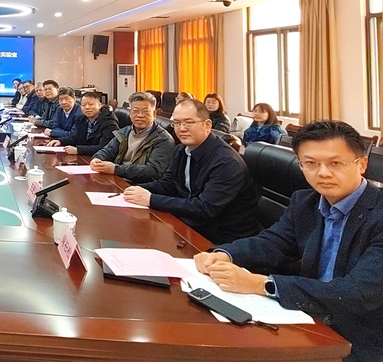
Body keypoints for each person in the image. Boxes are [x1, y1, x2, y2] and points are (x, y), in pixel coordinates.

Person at [194, 120, 383, 362]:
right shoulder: (305, 202)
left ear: (362, 164)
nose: (323, 173)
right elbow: (273, 242)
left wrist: (262, 284)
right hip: (309, 317)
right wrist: (224, 254)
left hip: (362, 335)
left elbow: (358, 293)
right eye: (310, 163)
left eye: (336, 163)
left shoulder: (378, 214)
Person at [123, 99, 260, 244]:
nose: (182, 128)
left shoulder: (226, 162)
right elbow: (167, 184)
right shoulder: (182, 150)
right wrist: (131, 190)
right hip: (191, 225)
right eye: (177, 123)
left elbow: (204, 208)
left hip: (222, 240)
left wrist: (150, 199)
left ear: (207, 125)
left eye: (188, 122)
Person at [90, 91, 175, 182]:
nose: (140, 115)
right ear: (130, 113)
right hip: (118, 180)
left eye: (145, 111)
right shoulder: (125, 132)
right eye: (135, 111)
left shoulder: (164, 140)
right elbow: (107, 151)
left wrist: (116, 169)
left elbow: (153, 172)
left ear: (154, 114)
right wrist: (97, 159)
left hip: (140, 186)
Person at [48, 92, 118, 156]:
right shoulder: (82, 119)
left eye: (90, 104)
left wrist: (78, 150)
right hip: (86, 156)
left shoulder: (109, 123)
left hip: (100, 160)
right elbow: (76, 137)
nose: (87, 107)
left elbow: (105, 148)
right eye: (83, 105)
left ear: (100, 105)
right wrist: (60, 141)